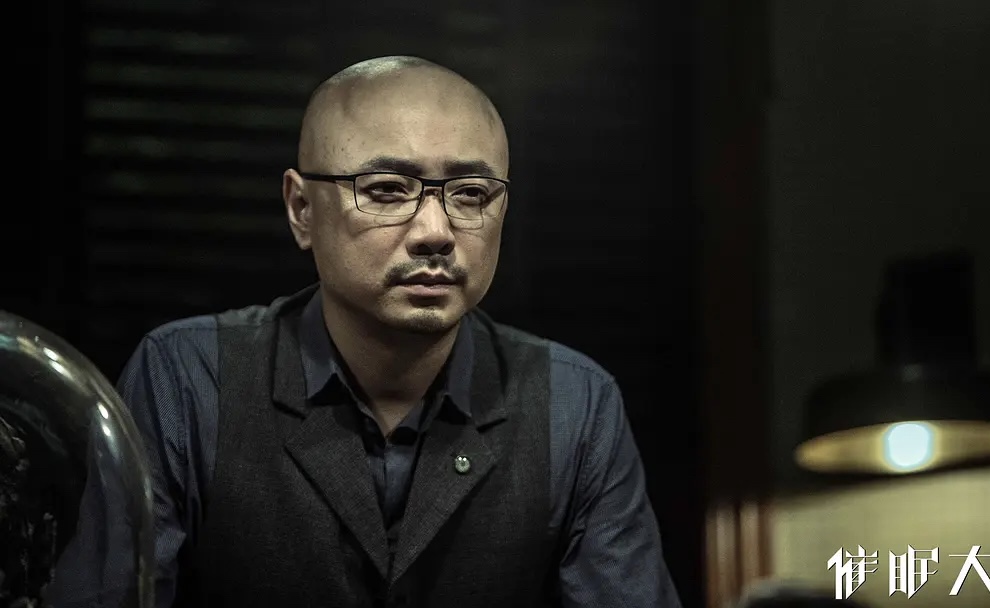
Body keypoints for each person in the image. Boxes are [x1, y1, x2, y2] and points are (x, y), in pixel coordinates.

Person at [48, 56, 682, 608]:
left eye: (469, 194)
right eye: (386, 190)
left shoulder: (573, 404)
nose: (436, 231)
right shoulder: (190, 380)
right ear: (301, 209)